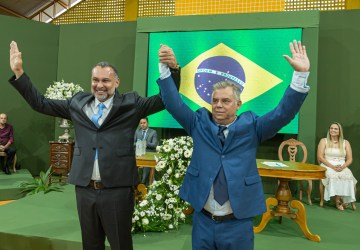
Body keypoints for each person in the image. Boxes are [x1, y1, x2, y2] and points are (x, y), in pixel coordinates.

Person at [9, 41, 180, 250]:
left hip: (117, 190)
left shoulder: (131, 103)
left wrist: (173, 70)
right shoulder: (77, 103)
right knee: (90, 244)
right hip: (85, 189)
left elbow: (165, 99)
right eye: (95, 80)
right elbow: (40, 103)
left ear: (117, 82)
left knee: (121, 244)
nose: (100, 85)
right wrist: (19, 72)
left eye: (106, 80)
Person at [157, 41, 310, 250]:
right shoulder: (198, 123)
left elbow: (283, 113)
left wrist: (300, 76)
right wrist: (166, 69)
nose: (219, 105)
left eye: (226, 101)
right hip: (202, 221)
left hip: (238, 223)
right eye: (215, 100)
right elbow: (173, 103)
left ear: (238, 104)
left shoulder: (253, 128)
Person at [317, 122, 357, 211]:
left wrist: (342, 167)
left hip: (342, 165)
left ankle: (344, 200)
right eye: (331, 128)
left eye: (335, 129)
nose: (333, 130)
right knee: (333, 175)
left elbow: (350, 159)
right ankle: (337, 200)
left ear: (339, 131)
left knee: (348, 176)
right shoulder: (324, 141)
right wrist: (332, 167)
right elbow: (320, 157)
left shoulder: (346, 143)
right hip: (327, 165)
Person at [134, 117, 158, 185]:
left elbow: (154, 145)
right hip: (138, 155)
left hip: (149, 156)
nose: (142, 124)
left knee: (146, 170)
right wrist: (139, 143)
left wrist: (144, 143)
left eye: (144, 123)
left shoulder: (153, 132)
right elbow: (133, 143)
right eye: (141, 123)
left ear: (148, 123)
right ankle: (136, 184)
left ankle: (144, 184)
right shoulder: (137, 131)